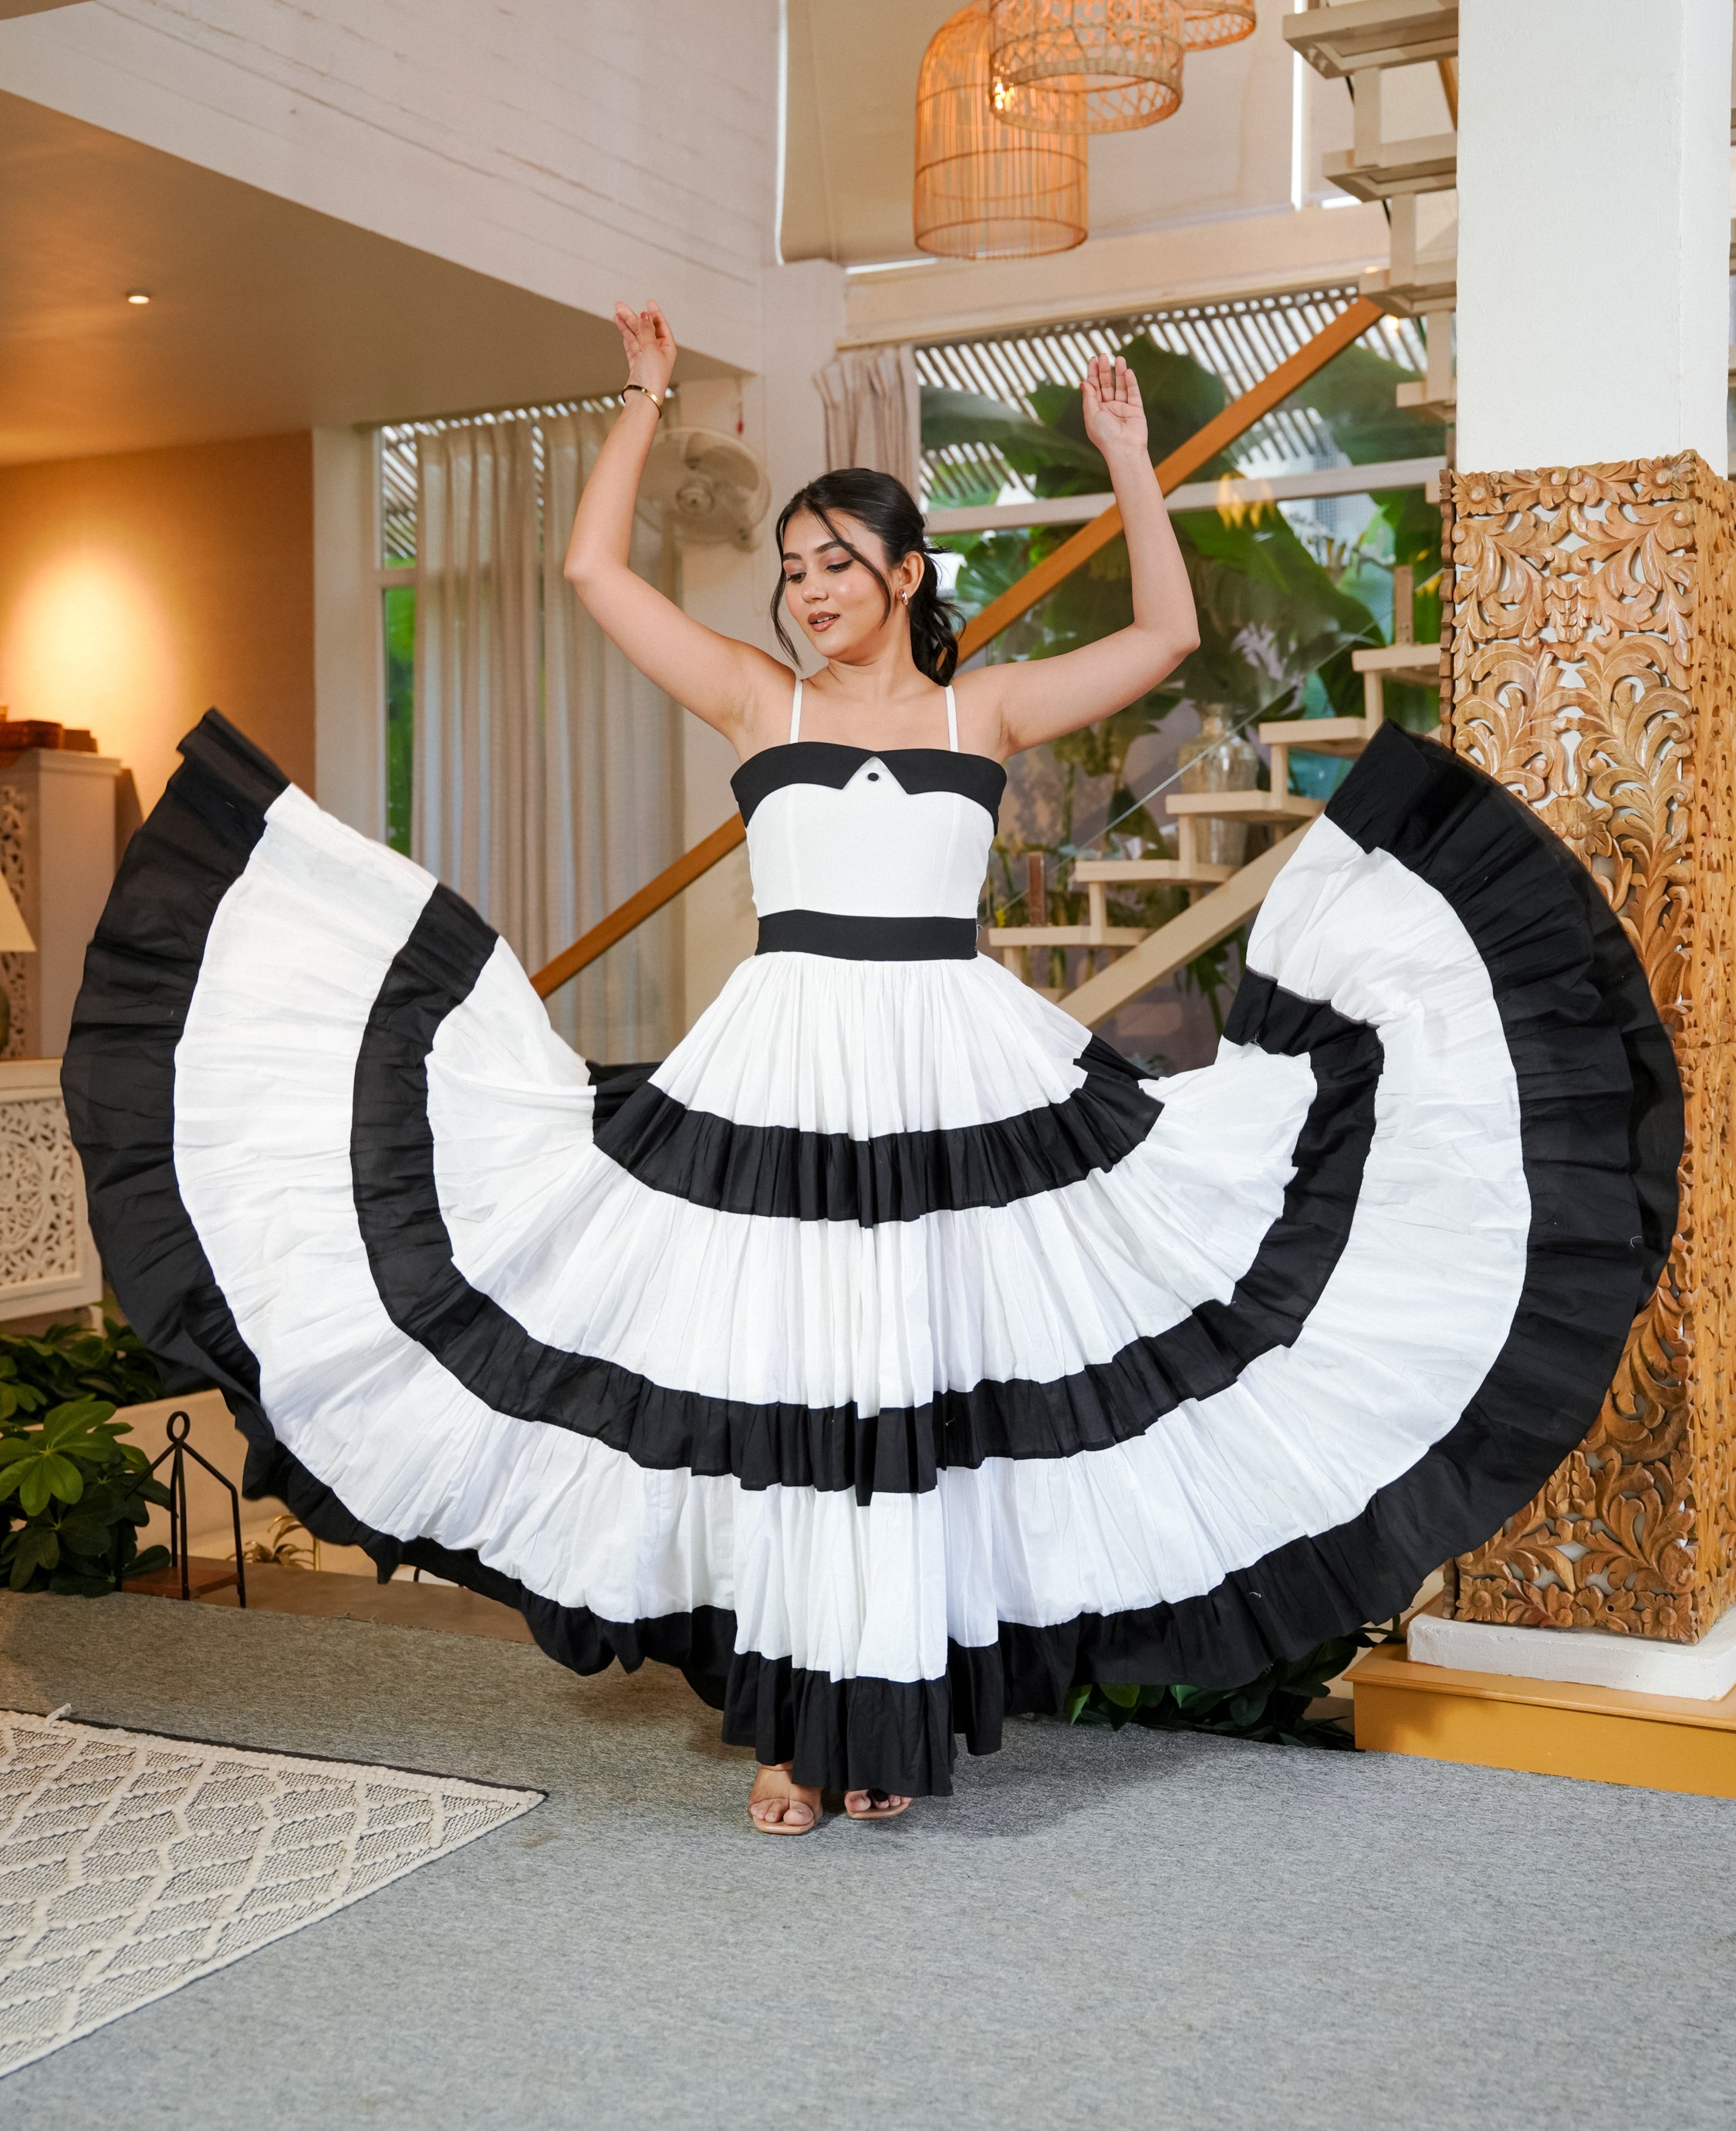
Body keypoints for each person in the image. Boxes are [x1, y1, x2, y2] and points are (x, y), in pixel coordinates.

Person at [65, 303, 1680, 1838]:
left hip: (954, 1062)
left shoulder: (986, 710)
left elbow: (1172, 630)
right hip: (783, 1060)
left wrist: (1129, 454)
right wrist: (639, 395)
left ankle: (889, 1727)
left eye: (836, 562)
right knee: (790, 1391)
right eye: (790, 567)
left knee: (917, 1393)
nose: (805, 589)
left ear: (909, 571)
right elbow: (585, 569)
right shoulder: (753, 695)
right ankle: (796, 1731)